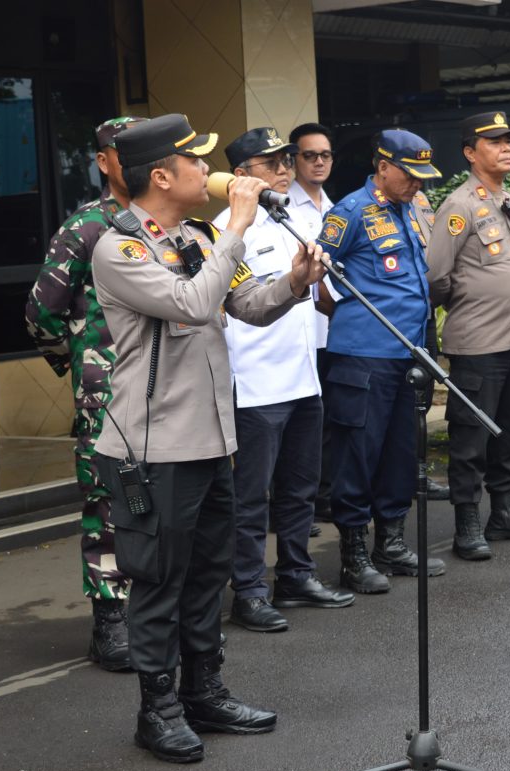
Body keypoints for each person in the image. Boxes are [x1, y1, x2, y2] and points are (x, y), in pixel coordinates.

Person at [89, 113, 326, 763]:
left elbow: (245, 306)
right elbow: (193, 302)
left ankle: (204, 690)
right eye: (195, 161)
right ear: (161, 175)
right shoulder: (121, 248)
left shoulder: (197, 235)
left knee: (206, 575)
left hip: (212, 438)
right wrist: (240, 226)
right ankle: (157, 708)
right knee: (160, 579)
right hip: (155, 446)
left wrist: (297, 282)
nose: (209, 170)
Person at [216, 127, 352, 634]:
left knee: (299, 490)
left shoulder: (292, 218)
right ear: (242, 176)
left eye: (285, 161)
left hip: (302, 377)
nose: (284, 171)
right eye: (271, 163)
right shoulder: (223, 231)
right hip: (253, 385)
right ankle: (249, 589)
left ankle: (296, 574)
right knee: (251, 498)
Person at [26, 115, 144, 671]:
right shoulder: (87, 228)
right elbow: (40, 314)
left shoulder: (167, 224)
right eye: (128, 152)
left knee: (161, 502)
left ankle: (154, 610)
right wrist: (80, 361)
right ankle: (110, 623)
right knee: (108, 505)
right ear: (104, 161)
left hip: (164, 390)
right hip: (108, 397)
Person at [316, 129, 446, 593]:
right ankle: (353, 555)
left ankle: (389, 543)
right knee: (357, 456)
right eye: (411, 176)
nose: (418, 185)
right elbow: (316, 274)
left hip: (407, 355)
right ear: (383, 166)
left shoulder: (412, 210)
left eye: (422, 178)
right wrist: (347, 316)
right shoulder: (349, 212)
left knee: (400, 453)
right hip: (362, 358)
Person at [427, 111, 510, 562]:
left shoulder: (505, 199)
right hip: (478, 344)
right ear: (469, 152)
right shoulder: (459, 205)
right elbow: (437, 275)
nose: (506, 147)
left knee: (509, 436)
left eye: (508, 140)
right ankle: (466, 525)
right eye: (494, 140)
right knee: (470, 440)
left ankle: (504, 512)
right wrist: (469, 301)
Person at [287, 122, 338, 521]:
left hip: (331, 330)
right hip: (297, 327)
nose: (319, 162)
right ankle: (291, 505)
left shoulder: (334, 206)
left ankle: (320, 497)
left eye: (325, 155)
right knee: (293, 429)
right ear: (294, 161)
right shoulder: (282, 207)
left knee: (325, 422)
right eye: (310, 155)